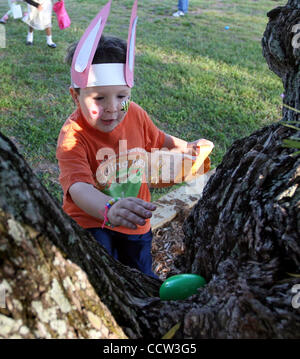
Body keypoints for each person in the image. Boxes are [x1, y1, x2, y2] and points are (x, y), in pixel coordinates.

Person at [56, 1, 212, 278]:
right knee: (105, 272)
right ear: (75, 96)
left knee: (141, 272)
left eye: (121, 96)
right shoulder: (73, 136)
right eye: (98, 98)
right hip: (92, 221)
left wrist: (186, 148)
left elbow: (159, 139)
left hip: (136, 220)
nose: (113, 107)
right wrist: (109, 209)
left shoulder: (136, 114)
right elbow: (78, 187)